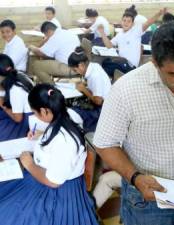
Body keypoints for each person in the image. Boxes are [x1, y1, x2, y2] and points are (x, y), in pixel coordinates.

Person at [93, 21, 174, 225]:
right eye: (173, 74)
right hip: (146, 198)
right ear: (155, 61)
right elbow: (105, 143)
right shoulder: (126, 90)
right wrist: (135, 177)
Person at [0, 84, 98, 225]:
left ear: (45, 111)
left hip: (58, 193)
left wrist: (29, 163)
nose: (35, 116)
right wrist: (41, 135)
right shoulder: (64, 118)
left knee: (8, 215)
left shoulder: (64, 141)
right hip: (45, 179)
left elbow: (53, 182)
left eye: (35, 113)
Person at [100, 9, 166, 77]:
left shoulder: (135, 31)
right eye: (124, 20)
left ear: (132, 24)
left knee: (107, 68)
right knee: (104, 62)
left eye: (129, 21)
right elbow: (109, 46)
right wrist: (102, 32)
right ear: (121, 21)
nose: (126, 23)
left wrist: (159, 13)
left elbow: (148, 23)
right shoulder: (119, 35)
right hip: (121, 63)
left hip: (130, 66)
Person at [68, 47, 111, 133]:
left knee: (72, 112)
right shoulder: (94, 66)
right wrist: (85, 86)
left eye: (75, 70)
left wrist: (84, 89)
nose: (76, 72)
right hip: (103, 103)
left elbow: (98, 101)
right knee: (73, 103)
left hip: (104, 109)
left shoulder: (95, 76)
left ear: (81, 65)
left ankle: (84, 133)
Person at [0, 54, 33, 141]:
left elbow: (18, 119)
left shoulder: (15, 90)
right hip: (24, 112)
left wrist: (3, 104)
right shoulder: (19, 74)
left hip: (26, 121)